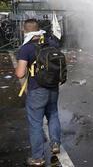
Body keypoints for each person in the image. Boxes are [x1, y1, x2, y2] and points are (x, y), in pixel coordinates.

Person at [16, 19, 61, 166]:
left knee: (36, 124)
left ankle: (37, 158)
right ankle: (55, 144)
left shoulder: (26, 48)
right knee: (53, 114)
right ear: (38, 29)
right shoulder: (51, 43)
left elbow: (20, 74)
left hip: (37, 90)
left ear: (25, 31)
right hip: (53, 87)